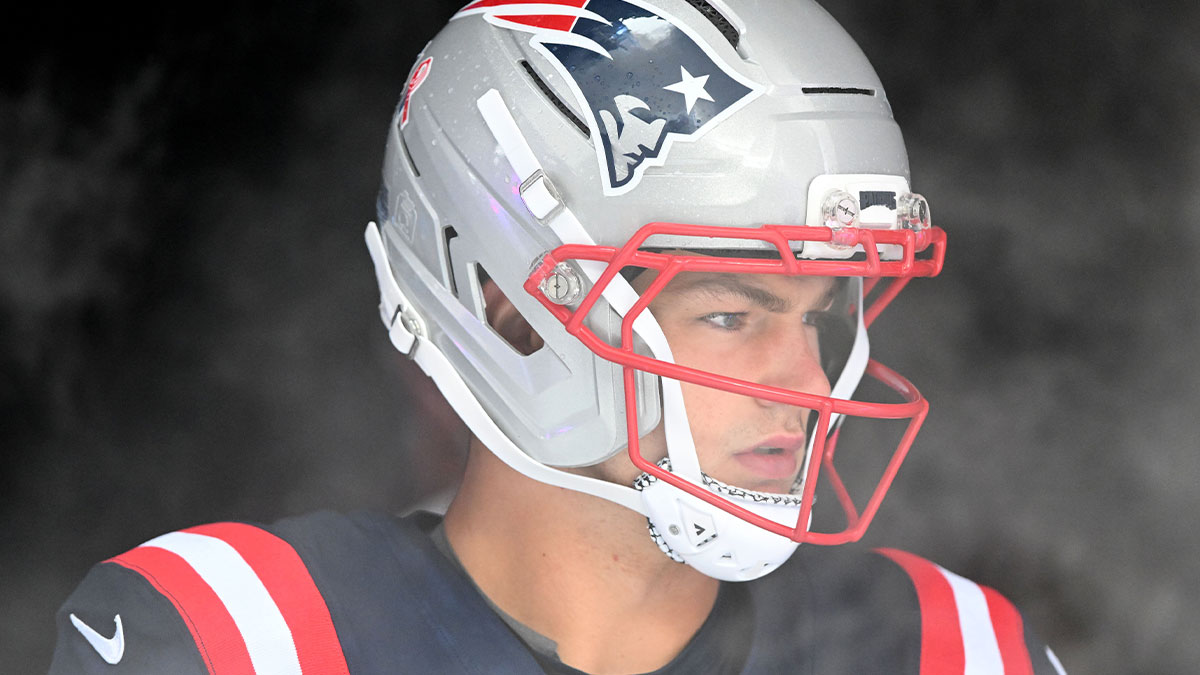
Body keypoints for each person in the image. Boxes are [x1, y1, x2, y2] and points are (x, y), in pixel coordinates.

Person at [50, 1, 1068, 673]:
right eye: (729, 314)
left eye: (823, 315)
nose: (804, 383)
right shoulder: (238, 639)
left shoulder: (951, 649)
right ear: (508, 305)